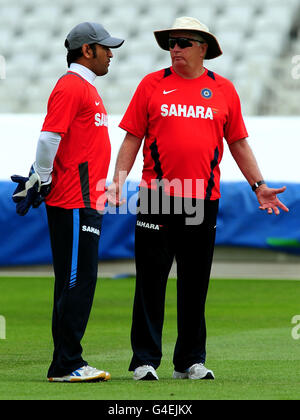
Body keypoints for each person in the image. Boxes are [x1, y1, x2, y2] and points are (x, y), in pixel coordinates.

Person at [106, 17, 289, 381]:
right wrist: (117, 182)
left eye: (184, 42)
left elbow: (238, 142)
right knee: (150, 282)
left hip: (203, 199)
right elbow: (131, 138)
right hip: (157, 197)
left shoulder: (223, 90)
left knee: (194, 282)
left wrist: (259, 185)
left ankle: (189, 361)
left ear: (203, 48)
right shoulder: (151, 85)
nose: (175, 48)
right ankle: (144, 360)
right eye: (172, 42)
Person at [11, 22, 124, 382]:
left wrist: (43, 175)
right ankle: (67, 364)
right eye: (105, 47)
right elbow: (48, 138)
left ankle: (66, 361)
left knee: (73, 281)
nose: (111, 54)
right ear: (86, 50)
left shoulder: (84, 87)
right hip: (75, 202)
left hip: (85, 200)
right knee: (78, 281)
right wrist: (43, 178)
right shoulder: (72, 86)